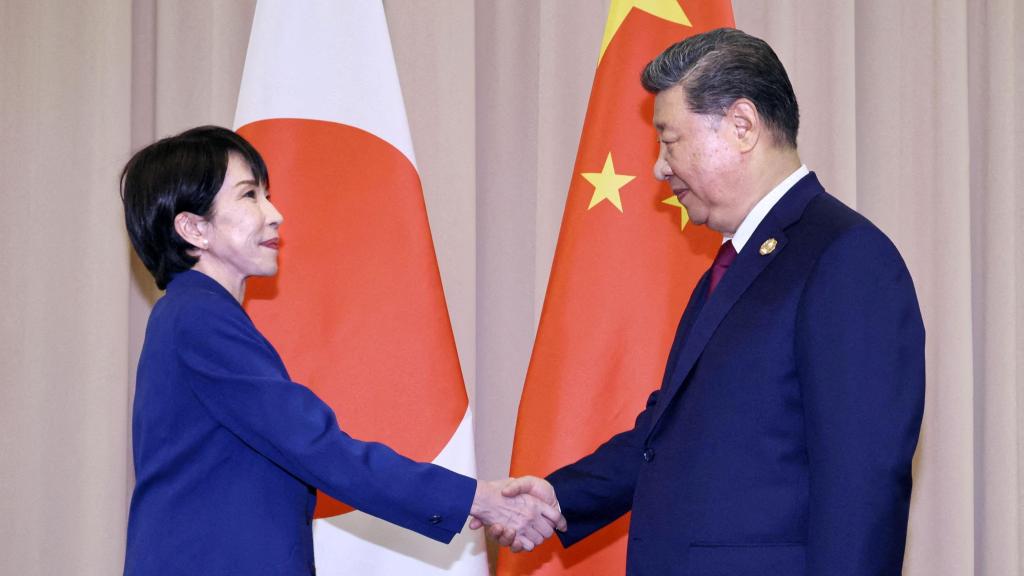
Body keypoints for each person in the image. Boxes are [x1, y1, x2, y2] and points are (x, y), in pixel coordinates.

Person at [498, 28, 925, 575]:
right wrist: (558, 498)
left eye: (669, 140)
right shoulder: (732, 266)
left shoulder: (845, 258)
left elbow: (863, 483)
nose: (658, 166)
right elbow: (668, 435)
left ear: (741, 126)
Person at [120, 126, 564, 575]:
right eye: (250, 195)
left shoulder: (192, 314)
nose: (275, 215)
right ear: (194, 228)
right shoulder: (199, 317)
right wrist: (478, 499)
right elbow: (316, 446)